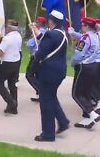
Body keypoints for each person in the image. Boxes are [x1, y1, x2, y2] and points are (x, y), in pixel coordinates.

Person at [28, 10, 70, 142]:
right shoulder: (61, 34)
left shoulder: (51, 35)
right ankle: (63, 122)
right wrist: (35, 30)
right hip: (58, 71)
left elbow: (40, 53)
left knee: (45, 102)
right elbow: (46, 40)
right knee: (51, 97)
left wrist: (33, 62)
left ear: (51, 21)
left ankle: (48, 133)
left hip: (49, 72)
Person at [69, 17, 100, 129]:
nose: (81, 27)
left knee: (76, 94)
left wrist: (72, 62)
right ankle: (87, 117)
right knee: (86, 93)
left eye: (82, 25)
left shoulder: (86, 37)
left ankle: (92, 114)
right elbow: (82, 37)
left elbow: (79, 54)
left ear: (87, 26)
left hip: (84, 67)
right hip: (93, 65)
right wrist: (73, 33)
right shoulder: (95, 36)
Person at [0, 19, 22, 115]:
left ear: (10, 28)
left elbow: (0, 52)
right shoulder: (18, 36)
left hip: (7, 63)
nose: (5, 28)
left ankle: (11, 102)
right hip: (16, 62)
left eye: (7, 26)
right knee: (12, 84)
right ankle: (14, 107)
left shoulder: (7, 39)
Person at [26, 16, 47, 102]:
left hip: (36, 56)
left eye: (37, 22)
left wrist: (32, 33)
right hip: (40, 56)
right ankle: (41, 95)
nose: (35, 23)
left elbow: (30, 44)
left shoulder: (39, 32)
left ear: (41, 23)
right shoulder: (43, 31)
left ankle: (42, 92)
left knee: (29, 75)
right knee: (38, 76)